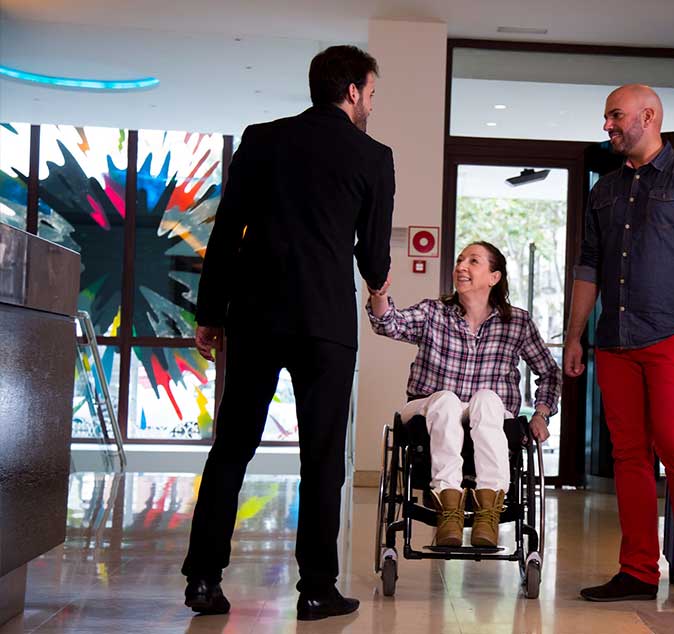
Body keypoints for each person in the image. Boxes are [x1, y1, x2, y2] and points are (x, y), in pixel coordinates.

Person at [181, 45, 394, 621]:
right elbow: (373, 253)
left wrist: (210, 313)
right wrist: (378, 281)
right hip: (325, 321)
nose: (372, 103)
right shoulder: (373, 156)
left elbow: (227, 232)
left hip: (254, 314)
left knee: (232, 445)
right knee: (322, 456)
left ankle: (203, 579)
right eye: (372, 93)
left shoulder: (262, 137)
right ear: (352, 91)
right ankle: (317, 588)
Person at [565, 84, 674, 608]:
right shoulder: (605, 189)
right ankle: (638, 570)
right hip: (615, 339)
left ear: (648, 116)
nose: (607, 126)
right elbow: (588, 268)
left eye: (615, 116)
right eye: (606, 117)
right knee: (629, 455)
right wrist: (575, 336)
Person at [367, 241, 560, 548]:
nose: (461, 267)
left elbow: (549, 372)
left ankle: (488, 514)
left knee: (486, 397)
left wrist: (541, 414)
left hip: (490, 412)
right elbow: (389, 324)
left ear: (494, 277)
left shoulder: (517, 322)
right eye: (459, 260)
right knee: (446, 400)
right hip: (428, 406)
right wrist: (379, 295)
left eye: (473, 261)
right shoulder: (434, 313)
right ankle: (449, 510)